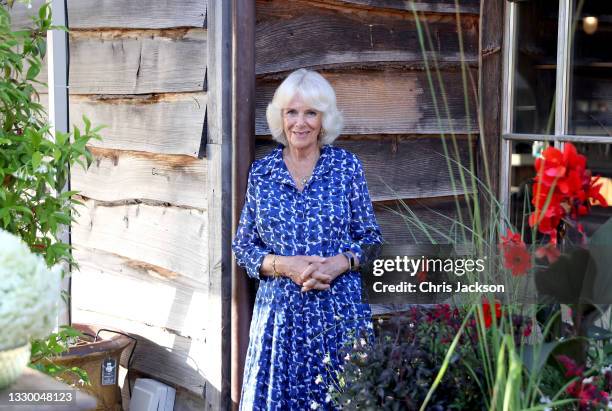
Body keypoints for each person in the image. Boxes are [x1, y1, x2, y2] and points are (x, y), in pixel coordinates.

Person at [232, 68, 382, 410]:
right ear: (281, 118)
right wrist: (285, 265)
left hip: (338, 314)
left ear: (323, 119)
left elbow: (371, 238)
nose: (300, 122)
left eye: (310, 112)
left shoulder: (346, 168)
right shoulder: (263, 173)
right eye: (292, 112)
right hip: (279, 319)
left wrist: (339, 263)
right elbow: (243, 245)